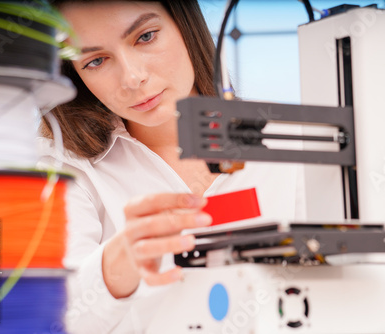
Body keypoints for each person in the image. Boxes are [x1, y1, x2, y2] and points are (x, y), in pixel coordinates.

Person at [38, 1, 305, 332]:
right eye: (95, 61)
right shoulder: (64, 170)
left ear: (185, 24)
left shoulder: (297, 142)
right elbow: (46, 318)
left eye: (146, 36)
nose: (133, 78)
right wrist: (114, 268)